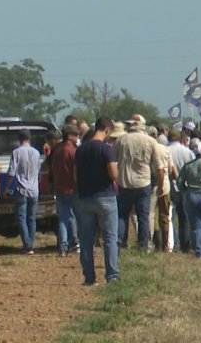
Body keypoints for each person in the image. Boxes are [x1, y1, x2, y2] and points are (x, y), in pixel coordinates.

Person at [75, 116, 119, 285]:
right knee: (109, 238)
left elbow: (75, 175)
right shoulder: (106, 150)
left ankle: (89, 277)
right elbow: (113, 174)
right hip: (106, 197)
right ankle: (112, 275)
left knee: (86, 239)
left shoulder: (81, 150)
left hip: (86, 197)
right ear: (107, 130)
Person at [114, 114, 163, 252]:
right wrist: (160, 185)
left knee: (122, 215)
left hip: (125, 183)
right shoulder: (150, 141)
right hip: (143, 183)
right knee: (143, 216)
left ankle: (120, 242)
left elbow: (113, 158)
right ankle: (142, 245)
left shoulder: (121, 140)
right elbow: (158, 166)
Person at [5, 128, 41, 254]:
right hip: (34, 189)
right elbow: (38, 170)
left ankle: (27, 244)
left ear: (19, 139)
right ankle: (30, 243)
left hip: (21, 188)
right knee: (32, 218)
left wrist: (7, 187)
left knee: (21, 217)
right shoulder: (36, 153)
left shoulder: (17, 152)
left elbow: (11, 172)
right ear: (29, 138)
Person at [51, 124, 81, 256]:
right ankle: (75, 242)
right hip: (72, 189)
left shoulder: (57, 151)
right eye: (76, 135)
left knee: (63, 218)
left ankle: (63, 246)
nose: (77, 137)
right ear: (69, 136)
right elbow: (77, 172)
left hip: (59, 189)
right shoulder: (73, 151)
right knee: (74, 217)